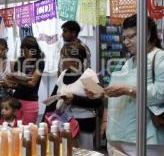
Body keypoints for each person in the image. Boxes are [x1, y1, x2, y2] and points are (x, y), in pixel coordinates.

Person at [101, 15, 164, 155]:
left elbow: (161, 93)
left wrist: (128, 90)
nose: (126, 42)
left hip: (145, 140)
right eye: (124, 38)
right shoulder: (128, 62)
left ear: (146, 34)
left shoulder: (159, 58)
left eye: (130, 37)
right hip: (117, 137)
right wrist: (101, 93)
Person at [43, 43, 103, 149]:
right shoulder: (63, 74)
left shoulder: (88, 74)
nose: (61, 60)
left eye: (64, 57)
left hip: (83, 125)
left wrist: (74, 99)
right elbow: (52, 99)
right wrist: (44, 122)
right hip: (64, 123)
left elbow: (98, 101)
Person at [6, 36, 45, 124]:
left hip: (30, 101)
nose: (24, 53)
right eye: (23, 50)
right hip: (16, 100)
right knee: (14, 128)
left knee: (28, 130)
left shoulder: (39, 62)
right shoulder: (20, 61)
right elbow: (16, 83)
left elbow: (32, 83)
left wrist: (16, 80)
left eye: (26, 50)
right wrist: (9, 84)